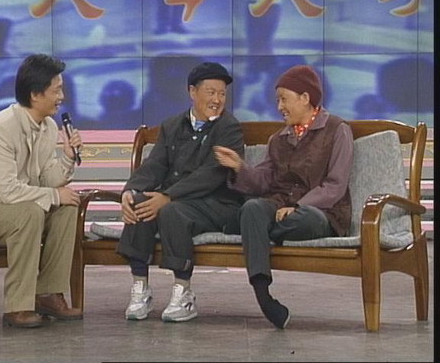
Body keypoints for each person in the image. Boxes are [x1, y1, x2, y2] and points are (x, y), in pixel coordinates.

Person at [214, 65, 353, 329]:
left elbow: (334, 186)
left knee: (302, 218)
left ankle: (252, 229)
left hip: (320, 213)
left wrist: (298, 206)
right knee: (253, 208)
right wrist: (240, 167)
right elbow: (263, 181)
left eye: (283, 99)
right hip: (278, 207)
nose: (279, 107)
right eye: (278, 100)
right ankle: (263, 295)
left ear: (305, 98)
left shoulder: (337, 130)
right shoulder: (278, 139)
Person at [0, 54, 84, 328]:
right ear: (35, 95)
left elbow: (48, 178)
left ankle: (48, 293)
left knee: (67, 208)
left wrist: (68, 157)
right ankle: (17, 306)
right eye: (56, 90)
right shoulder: (1, 128)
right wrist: (53, 196)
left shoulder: (48, 127)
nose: (62, 97)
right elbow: (9, 192)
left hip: (19, 204)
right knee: (30, 213)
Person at [117, 62, 244, 322]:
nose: (217, 100)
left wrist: (168, 196)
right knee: (141, 204)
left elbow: (211, 174)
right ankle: (140, 288)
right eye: (211, 92)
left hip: (216, 203)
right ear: (192, 92)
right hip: (178, 200)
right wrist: (131, 190)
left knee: (172, 211)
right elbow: (154, 166)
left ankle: (183, 291)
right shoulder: (172, 125)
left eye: (222, 94)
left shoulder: (229, 128)